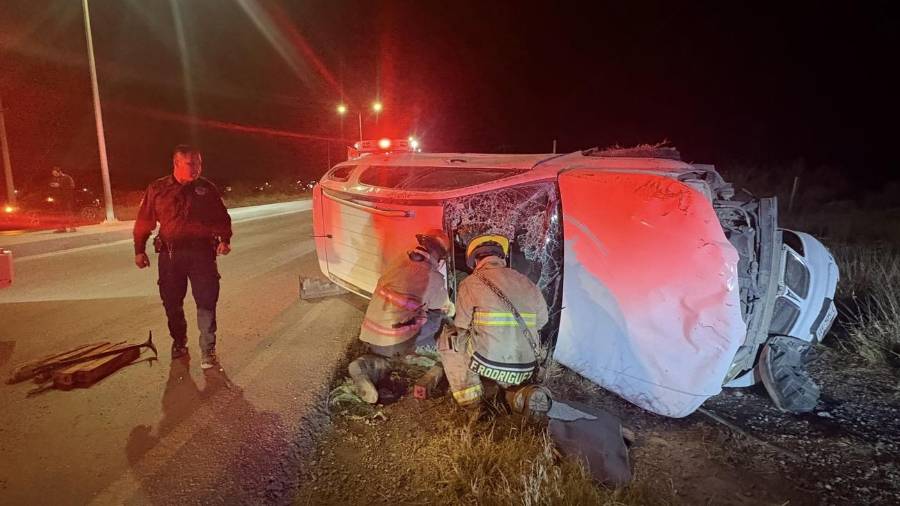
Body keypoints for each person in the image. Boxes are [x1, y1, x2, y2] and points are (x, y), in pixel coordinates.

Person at [133, 145, 232, 369]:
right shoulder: (157, 189)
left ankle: (208, 349)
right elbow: (144, 221)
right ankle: (179, 341)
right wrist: (139, 250)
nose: (196, 168)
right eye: (190, 164)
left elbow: (221, 217)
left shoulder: (207, 189)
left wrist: (225, 239)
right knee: (171, 302)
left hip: (202, 254)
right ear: (176, 164)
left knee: (207, 301)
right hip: (171, 255)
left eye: (198, 163)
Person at [438, 234, 552, 415]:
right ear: (502, 258)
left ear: (476, 260)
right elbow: (542, 322)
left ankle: (473, 403)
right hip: (526, 365)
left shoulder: (470, 283)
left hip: (487, 363)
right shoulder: (528, 282)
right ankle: (520, 396)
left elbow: (462, 325)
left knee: (448, 338)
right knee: (507, 374)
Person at [349, 230, 454, 403]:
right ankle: (412, 353)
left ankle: (363, 366)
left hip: (370, 336)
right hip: (396, 342)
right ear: (440, 255)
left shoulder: (397, 261)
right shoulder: (433, 277)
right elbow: (441, 307)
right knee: (438, 318)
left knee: (392, 347)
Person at [49, 166, 76, 232]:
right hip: (59, 199)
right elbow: (53, 187)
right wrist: (52, 185)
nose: (55, 175)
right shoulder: (55, 179)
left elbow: (72, 186)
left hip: (67, 198)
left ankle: (72, 227)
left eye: (56, 174)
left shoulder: (67, 177)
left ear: (60, 172)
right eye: (53, 174)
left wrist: (59, 185)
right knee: (60, 213)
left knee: (68, 212)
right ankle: (62, 228)